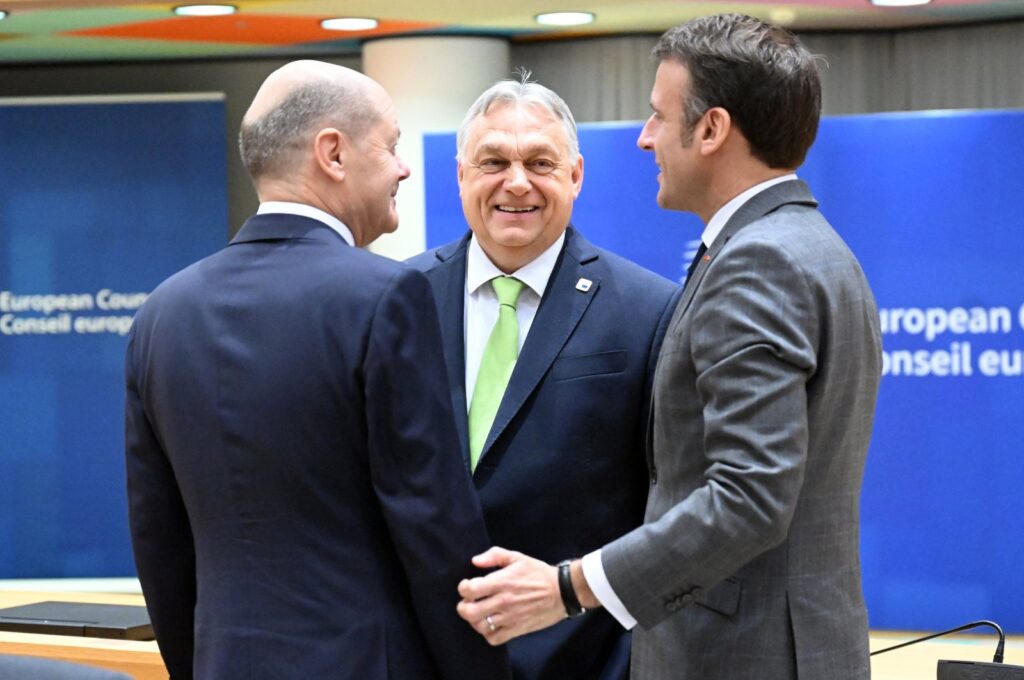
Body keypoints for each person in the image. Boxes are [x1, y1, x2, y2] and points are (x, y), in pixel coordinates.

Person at [456, 14, 883, 680]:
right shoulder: (815, 248)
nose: (645, 137)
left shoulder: (759, 261)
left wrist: (567, 587)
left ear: (710, 130)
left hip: (744, 656)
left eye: (658, 116)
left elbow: (748, 497)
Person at [125, 60, 510, 680]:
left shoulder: (162, 313)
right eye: (390, 146)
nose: (404, 168)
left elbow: (158, 540)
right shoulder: (388, 296)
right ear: (332, 153)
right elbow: (432, 525)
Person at [407, 75, 678, 680]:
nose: (517, 182)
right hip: (421, 650)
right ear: (460, 175)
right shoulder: (397, 300)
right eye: (494, 161)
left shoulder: (649, 310)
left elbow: (666, 507)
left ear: (576, 175)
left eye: (540, 162)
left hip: (582, 654)